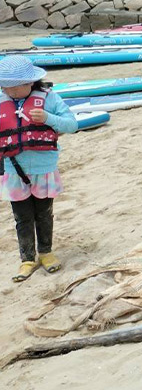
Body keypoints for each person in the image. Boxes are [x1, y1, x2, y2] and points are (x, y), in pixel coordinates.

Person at [0, 56, 77, 283]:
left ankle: (46, 252)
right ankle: (27, 258)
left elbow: (71, 125)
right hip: (13, 170)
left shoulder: (49, 99)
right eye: (7, 86)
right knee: (22, 217)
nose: (12, 91)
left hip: (44, 169)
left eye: (17, 86)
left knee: (44, 214)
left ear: (31, 82)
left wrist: (47, 117)